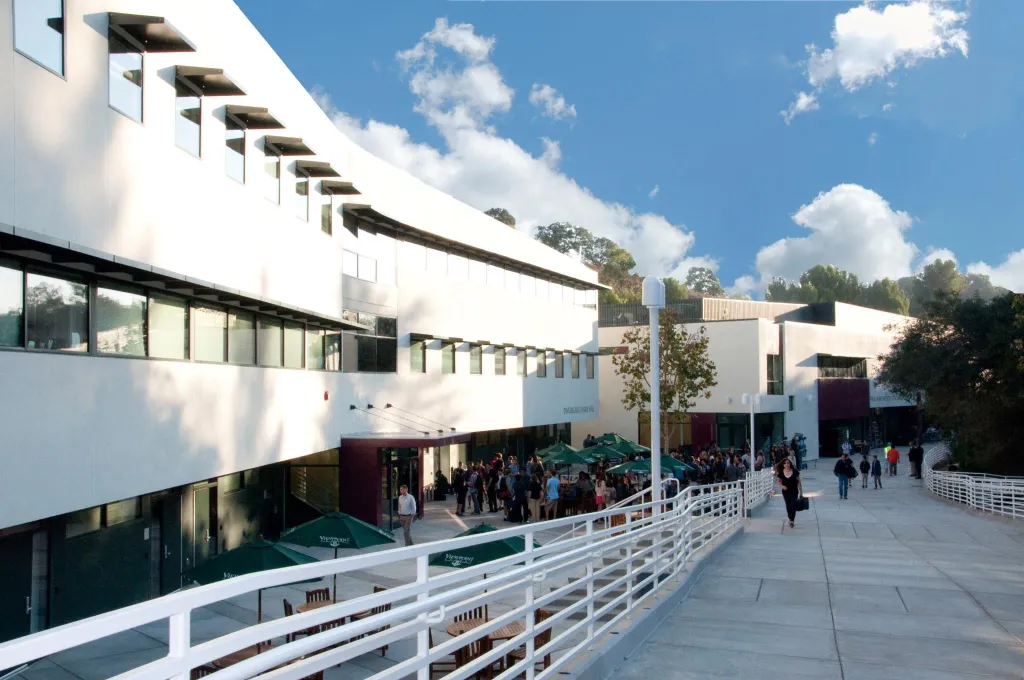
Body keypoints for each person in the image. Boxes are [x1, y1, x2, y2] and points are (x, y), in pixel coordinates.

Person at [776, 459, 803, 528]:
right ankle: (790, 518)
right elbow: (778, 481)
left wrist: (801, 493)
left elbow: (799, 482)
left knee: (793, 504)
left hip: (794, 491)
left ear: (790, 464)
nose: (787, 465)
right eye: (785, 463)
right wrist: (782, 486)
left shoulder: (795, 471)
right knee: (788, 505)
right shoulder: (781, 472)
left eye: (788, 463)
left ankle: (791, 520)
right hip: (785, 492)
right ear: (783, 465)